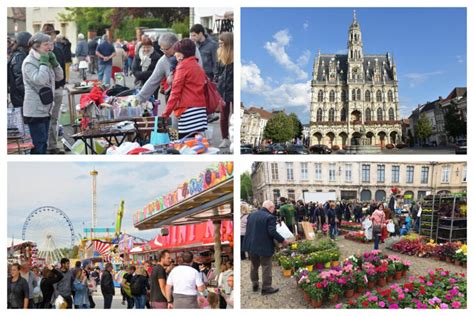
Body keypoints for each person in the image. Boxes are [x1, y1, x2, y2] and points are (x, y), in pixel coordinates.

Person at [22, 32, 63, 154]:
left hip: (46, 108)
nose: (49, 47)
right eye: (46, 45)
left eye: (50, 44)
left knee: (43, 143)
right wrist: (44, 63)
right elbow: (40, 80)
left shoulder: (44, 58)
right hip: (35, 111)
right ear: (36, 46)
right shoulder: (29, 62)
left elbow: (59, 77)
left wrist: (55, 64)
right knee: (38, 144)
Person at [162, 39, 208, 139]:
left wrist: (165, 113)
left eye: (177, 52)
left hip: (187, 111)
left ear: (182, 54)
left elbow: (175, 93)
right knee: (196, 142)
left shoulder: (182, 67)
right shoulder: (198, 66)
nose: (175, 55)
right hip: (200, 111)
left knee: (183, 142)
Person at [243, 200, 288, 295]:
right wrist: (282, 240)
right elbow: (272, 232)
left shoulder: (251, 215)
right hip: (264, 245)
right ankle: (266, 287)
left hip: (252, 245)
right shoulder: (270, 217)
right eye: (273, 208)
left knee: (254, 265)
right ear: (270, 207)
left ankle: (255, 284)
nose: (274, 210)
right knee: (266, 266)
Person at [41, 24, 66, 155]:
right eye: (49, 34)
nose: (51, 37)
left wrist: (62, 84)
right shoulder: (42, 51)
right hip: (47, 90)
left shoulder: (59, 50)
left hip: (58, 88)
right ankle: (48, 145)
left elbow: (62, 67)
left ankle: (53, 145)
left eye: (52, 34)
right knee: (47, 119)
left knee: (55, 118)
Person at [213, 32, 233, 148]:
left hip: (232, 90)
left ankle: (234, 137)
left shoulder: (234, 57)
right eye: (219, 43)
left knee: (235, 116)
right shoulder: (220, 56)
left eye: (222, 44)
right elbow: (217, 72)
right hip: (222, 90)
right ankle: (225, 138)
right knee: (223, 116)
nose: (220, 46)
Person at [7, 31, 32, 108]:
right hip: (20, 98)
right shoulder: (19, 56)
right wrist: (28, 95)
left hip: (19, 97)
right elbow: (19, 80)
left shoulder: (20, 54)